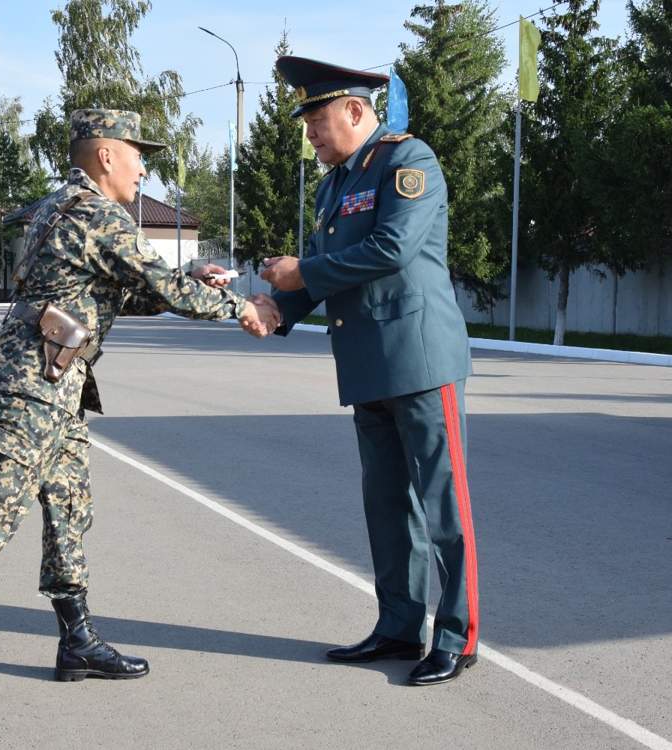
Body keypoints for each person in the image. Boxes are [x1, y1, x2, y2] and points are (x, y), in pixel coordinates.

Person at [0, 108, 281, 709]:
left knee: (67, 502)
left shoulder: (64, 206)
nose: (144, 168)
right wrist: (243, 307)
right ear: (107, 155)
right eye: (137, 154)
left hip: (55, 380)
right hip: (33, 383)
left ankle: (77, 639)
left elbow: (123, 291)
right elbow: (159, 287)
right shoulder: (94, 213)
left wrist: (195, 275)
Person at [259, 56, 479, 686]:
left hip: (419, 360)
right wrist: (274, 309)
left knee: (444, 508)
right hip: (367, 366)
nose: (310, 135)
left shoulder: (410, 163)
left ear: (356, 110)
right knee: (386, 505)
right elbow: (328, 269)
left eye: (318, 121)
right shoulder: (334, 184)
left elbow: (391, 249)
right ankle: (398, 628)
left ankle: (458, 637)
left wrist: (300, 274)